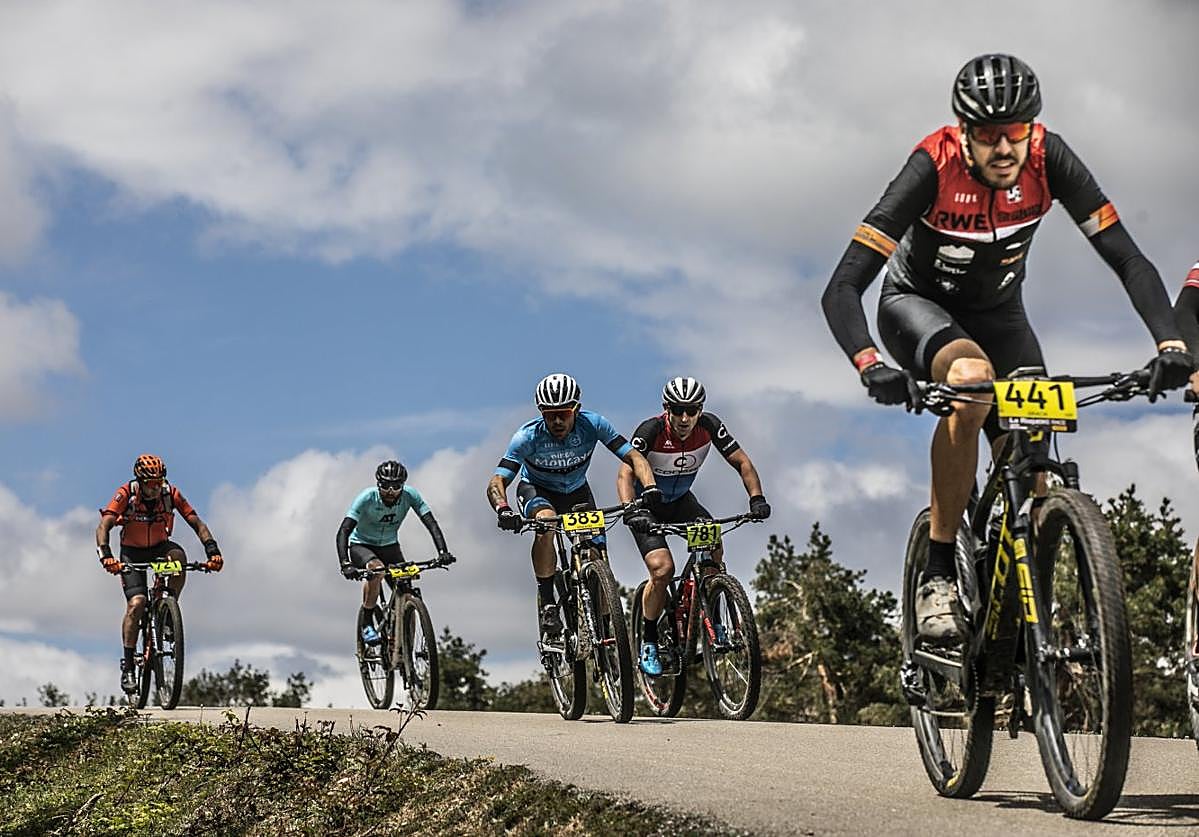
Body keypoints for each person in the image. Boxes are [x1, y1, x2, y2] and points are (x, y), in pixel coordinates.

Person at [821, 54, 1192, 643]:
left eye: (1015, 132)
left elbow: (1127, 257)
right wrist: (871, 364)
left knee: (1035, 466)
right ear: (963, 133)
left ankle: (1019, 617)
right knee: (971, 382)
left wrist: (1170, 342)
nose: (1003, 148)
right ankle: (939, 571)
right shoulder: (932, 165)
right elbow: (843, 285)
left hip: (1002, 316)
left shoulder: (1050, 159)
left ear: (1032, 129)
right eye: (988, 135)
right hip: (918, 308)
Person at [616, 376, 770, 675]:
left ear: (700, 410)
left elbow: (742, 462)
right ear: (666, 409)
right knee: (663, 570)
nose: (685, 417)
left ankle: (711, 609)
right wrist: (631, 509)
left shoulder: (710, 426)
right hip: (646, 507)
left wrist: (757, 498)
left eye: (692, 410)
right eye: (678, 410)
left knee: (713, 546)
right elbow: (624, 474)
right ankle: (648, 640)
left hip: (682, 501)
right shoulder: (652, 430)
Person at [487, 373, 660, 639]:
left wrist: (649, 488)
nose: (557, 421)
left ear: (576, 409)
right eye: (549, 414)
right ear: (541, 412)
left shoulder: (593, 424)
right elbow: (498, 480)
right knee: (547, 522)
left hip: (577, 491)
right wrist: (503, 509)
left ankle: (605, 626)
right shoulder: (526, 437)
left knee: (598, 557)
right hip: (538, 490)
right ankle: (547, 601)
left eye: (564, 413)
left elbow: (634, 457)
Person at [96, 454, 223, 693]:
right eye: (151, 483)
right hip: (132, 553)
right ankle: (129, 666)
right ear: (140, 481)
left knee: (179, 557)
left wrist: (212, 550)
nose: (156, 488)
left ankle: (168, 610)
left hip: (159, 549)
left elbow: (197, 523)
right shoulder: (126, 494)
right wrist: (106, 555)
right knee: (137, 603)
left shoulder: (170, 494)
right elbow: (104, 525)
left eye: (159, 482)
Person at [336, 460, 456, 644]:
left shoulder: (410, 495)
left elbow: (431, 523)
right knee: (377, 570)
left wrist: (443, 552)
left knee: (406, 588)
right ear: (378, 484)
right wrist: (345, 563)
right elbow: (344, 530)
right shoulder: (367, 498)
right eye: (385, 486)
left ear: (403, 485)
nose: (390, 491)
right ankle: (367, 622)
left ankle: (403, 639)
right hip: (362, 545)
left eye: (396, 486)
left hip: (390, 546)